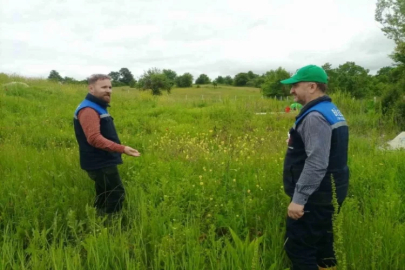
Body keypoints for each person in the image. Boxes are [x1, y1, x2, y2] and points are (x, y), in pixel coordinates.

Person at [280, 65, 349, 270]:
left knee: (299, 250)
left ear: (311, 87)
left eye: (295, 86)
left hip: (314, 197)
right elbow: (328, 147)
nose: (291, 90)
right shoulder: (330, 110)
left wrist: (299, 200)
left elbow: (317, 162)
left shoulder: (314, 116)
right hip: (330, 192)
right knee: (323, 248)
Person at [73, 74, 141, 215]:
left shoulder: (96, 106)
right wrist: (122, 149)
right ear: (91, 89)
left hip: (99, 160)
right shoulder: (89, 110)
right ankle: (111, 226)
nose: (108, 90)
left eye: (110, 87)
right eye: (103, 87)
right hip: (100, 162)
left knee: (104, 192)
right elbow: (94, 139)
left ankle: (98, 217)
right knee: (116, 194)